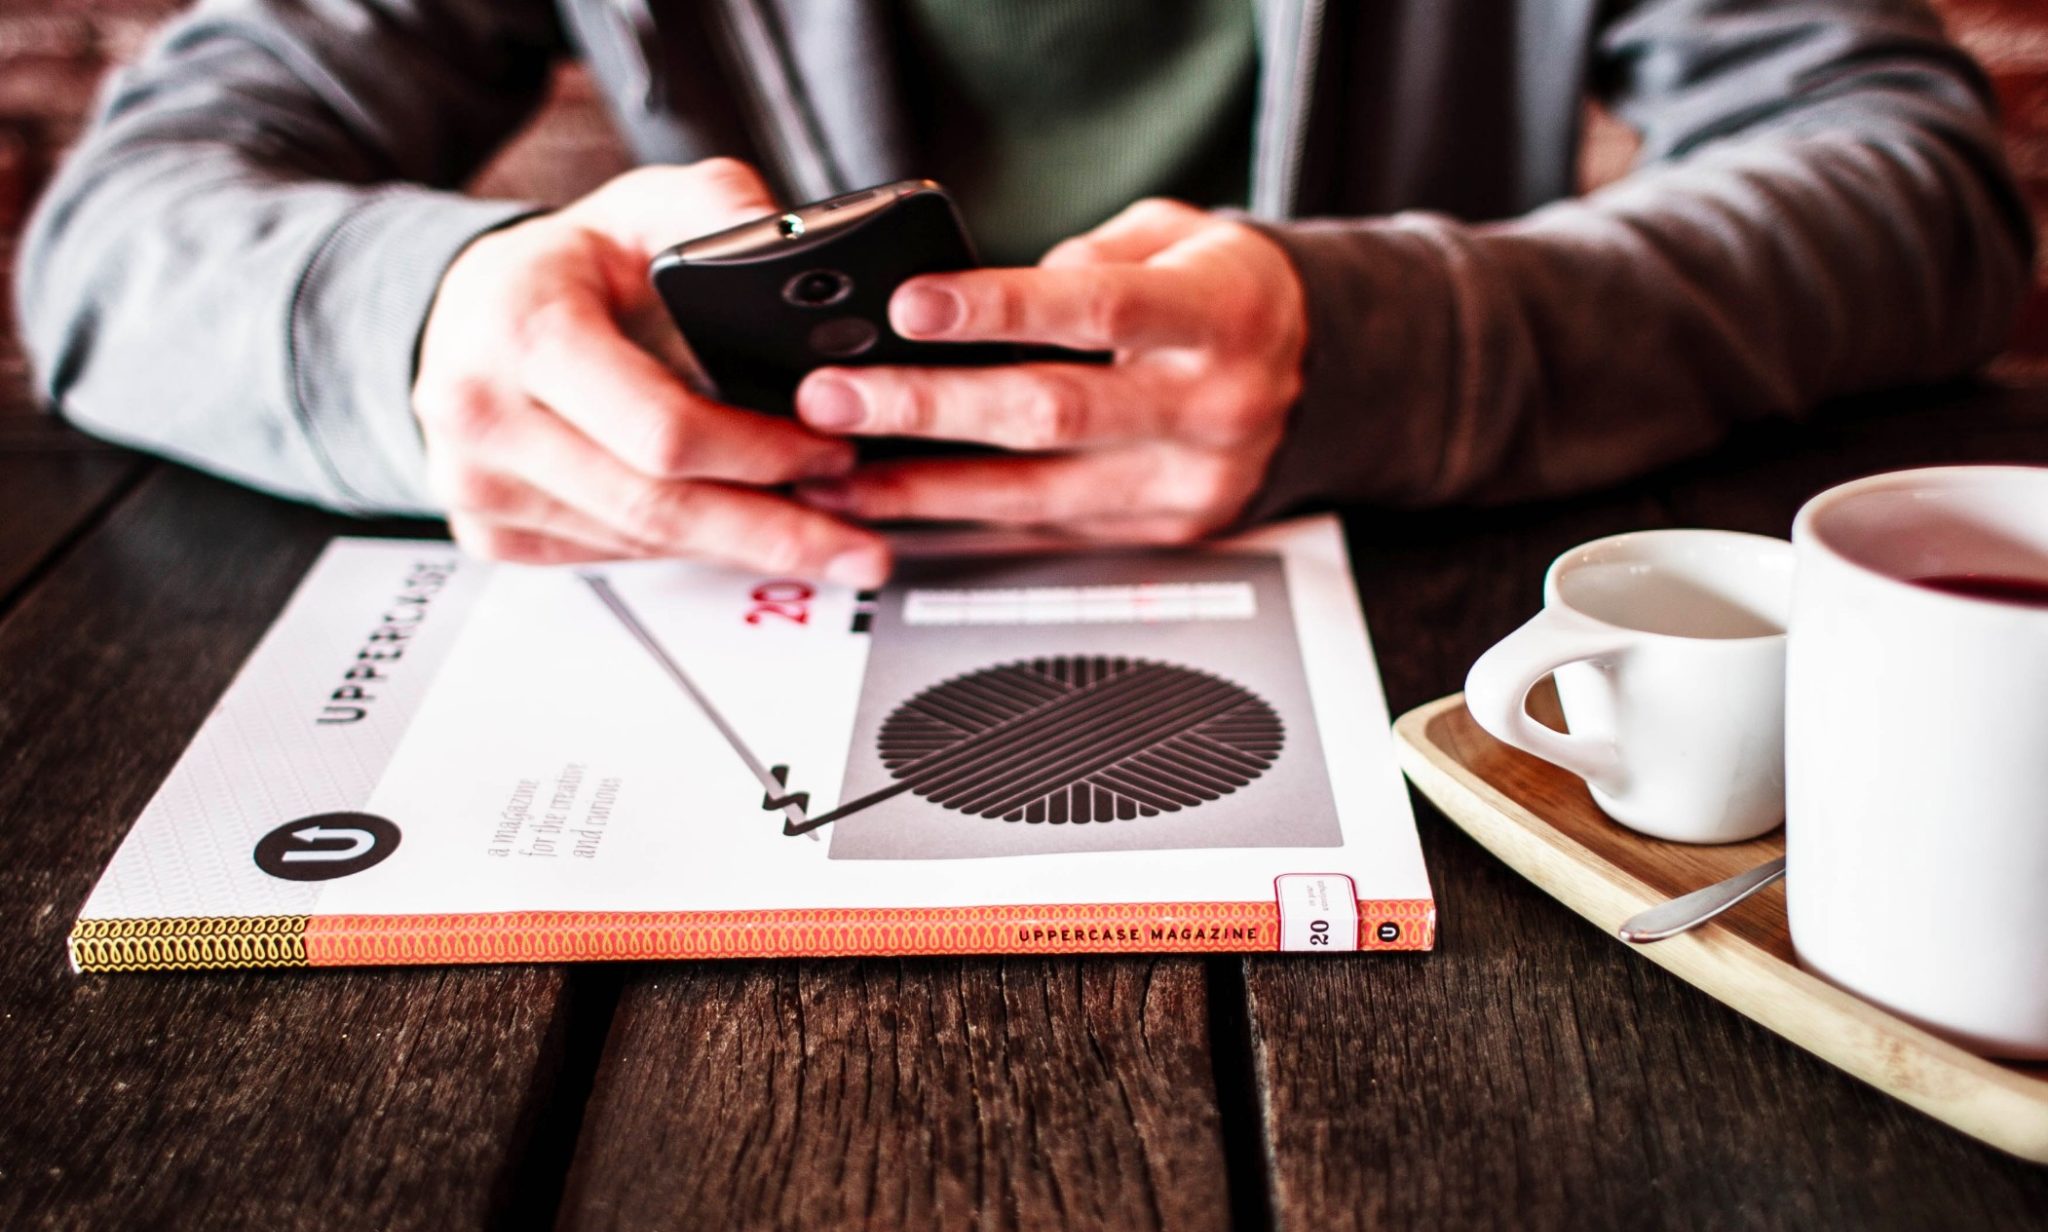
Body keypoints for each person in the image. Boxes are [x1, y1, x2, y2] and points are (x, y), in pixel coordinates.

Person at [15, 0, 2034, 587]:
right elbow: (121, 233)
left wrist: (1382, 350)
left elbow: (1919, 177)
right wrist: (429, 323)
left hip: (1450, 658)